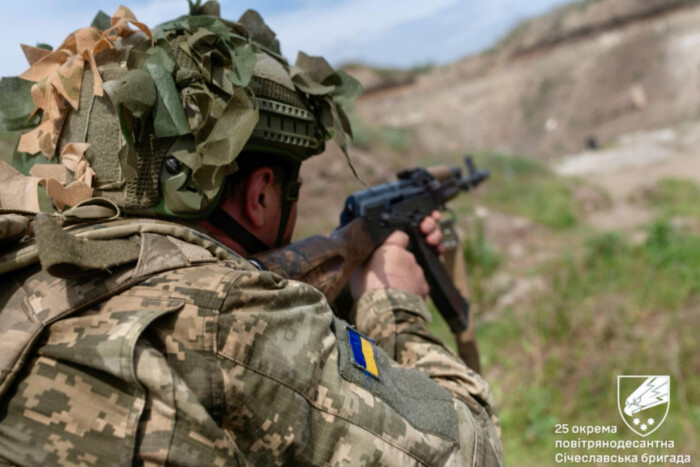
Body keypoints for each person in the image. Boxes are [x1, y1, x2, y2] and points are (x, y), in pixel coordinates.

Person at [0, 3, 504, 465]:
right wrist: (392, 303)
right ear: (262, 194)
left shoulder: (27, 264)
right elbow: (475, 449)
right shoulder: (233, 317)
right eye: (294, 185)